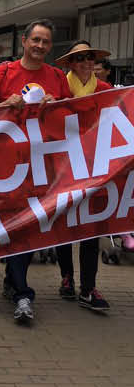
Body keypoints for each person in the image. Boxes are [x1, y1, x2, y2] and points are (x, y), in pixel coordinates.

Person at [0, 20, 71, 324]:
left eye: (45, 42)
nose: (39, 46)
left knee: (27, 227)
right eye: (35, 40)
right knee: (14, 226)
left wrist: (58, 104)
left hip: (41, 167)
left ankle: (17, 284)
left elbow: (71, 118)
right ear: (23, 41)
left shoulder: (57, 77)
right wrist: (3, 104)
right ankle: (22, 290)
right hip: (6, 166)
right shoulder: (2, 74)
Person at [53, 41, 113, 312]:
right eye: (80, 59)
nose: (86, 63)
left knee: (91, 229)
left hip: (95, 168)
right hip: (63, 168)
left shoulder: (106, 91)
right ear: (71, 64)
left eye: (90, 58)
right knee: (64, 228)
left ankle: (88, 287)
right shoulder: (59, 90)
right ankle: (67, 277)